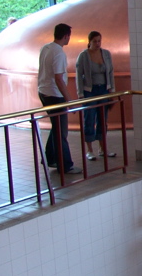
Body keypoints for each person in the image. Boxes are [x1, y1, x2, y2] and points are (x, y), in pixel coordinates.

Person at [38, 23, 80, 174]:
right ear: (66, 36)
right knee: (61, 132)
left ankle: (50, 157)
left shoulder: (46, 48)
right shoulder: (59, 53)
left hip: (43, 92)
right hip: (55, 95)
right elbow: (59, 79)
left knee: (56, 127)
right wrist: (69, 101)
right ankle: (66, 165)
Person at [76, 31, 117, 160]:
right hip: (90, 91)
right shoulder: (83, 56)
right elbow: (79, 75)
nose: (97, 44)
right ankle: (89, 150)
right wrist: (80, 93)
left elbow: (110, 72)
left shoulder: (106, 54)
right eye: (95, 41)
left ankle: (102, 148)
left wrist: (112, 90)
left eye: (99, 41)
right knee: (89, 119)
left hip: (104, 89)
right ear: (89, 42)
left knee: (102, 119)